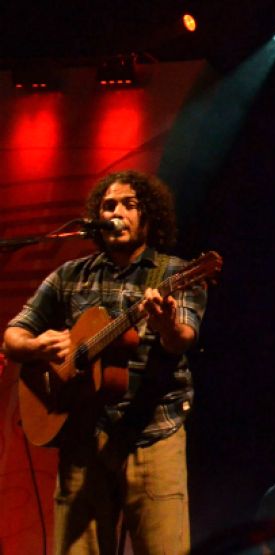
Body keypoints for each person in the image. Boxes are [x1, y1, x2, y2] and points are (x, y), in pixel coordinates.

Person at [3, 170, 207, 554]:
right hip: (83, 436)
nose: (117, 212)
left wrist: (165, 324)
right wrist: (39, 348)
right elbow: (13, 335)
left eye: (129, 205)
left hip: (152, 434)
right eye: (108, 205)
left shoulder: (177, 273)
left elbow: (183, 336)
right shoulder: (69, 276)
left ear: (150, 216)